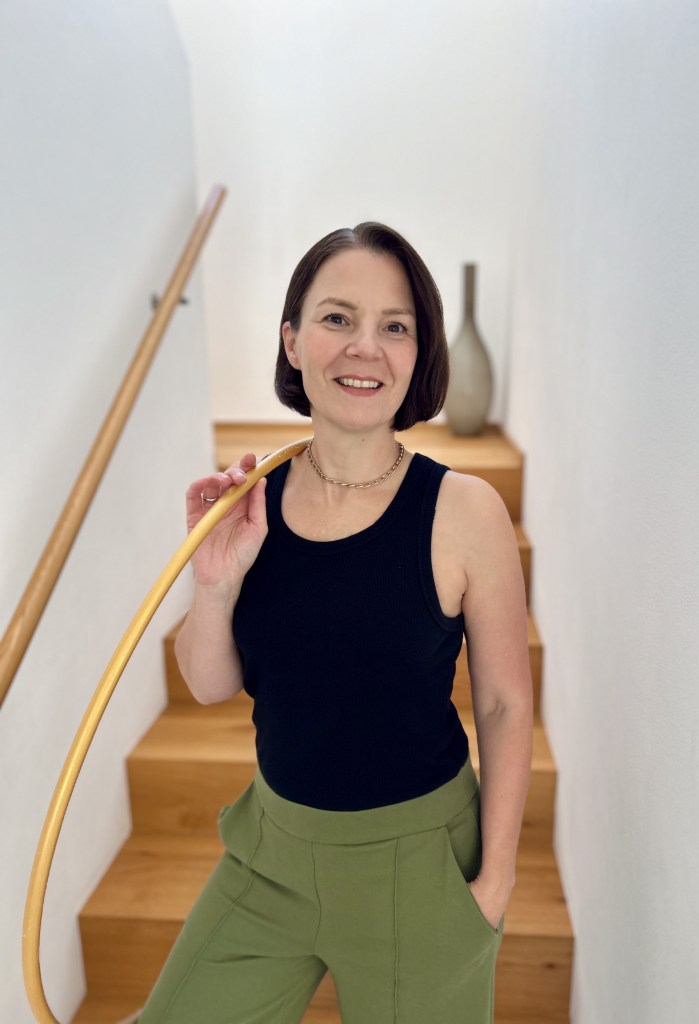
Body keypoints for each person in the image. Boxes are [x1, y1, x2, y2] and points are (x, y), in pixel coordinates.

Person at [138, 222, 533, 1024]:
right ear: (292, 341)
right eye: (337, 318)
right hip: (271, 852)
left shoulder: (465, 511)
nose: (365, 348)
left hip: (419, 867)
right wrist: (214, 581)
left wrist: (495, 880)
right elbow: (209, 685)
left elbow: (502, 704)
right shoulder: (250, 499)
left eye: (395, 327)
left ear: (419, 354)